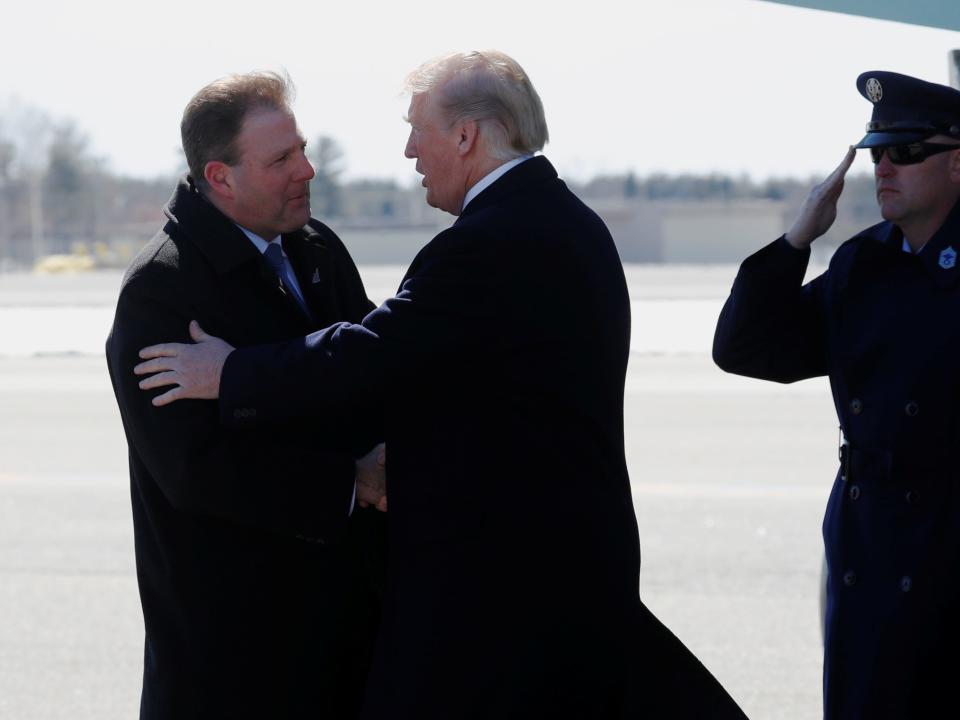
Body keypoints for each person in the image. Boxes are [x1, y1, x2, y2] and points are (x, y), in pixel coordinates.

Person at [134, 51, 747, 719]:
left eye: (417, 128)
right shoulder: (560, 221)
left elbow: (375, 352)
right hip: (515, 580)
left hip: (510, 589)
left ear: (466, 135)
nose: (407, 149)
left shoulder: (493, 242)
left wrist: (231, 373)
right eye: (282, 159)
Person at [105, 71, 387, 720]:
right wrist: (350, 484)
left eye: (303, 150)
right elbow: (194, 469)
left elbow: (371, 373)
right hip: (235, 654)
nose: (307, 170)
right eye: (282, 159)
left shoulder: (318, 251)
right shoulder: (161, 290)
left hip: (343, 629)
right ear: (220, 177)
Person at [713, 70, 960, 720]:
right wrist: (798, 240)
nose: (885, 168)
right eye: (878, 152)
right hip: (868, 543)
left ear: (959, 164)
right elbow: (747, 349)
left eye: (906, 153)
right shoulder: (862, 265)